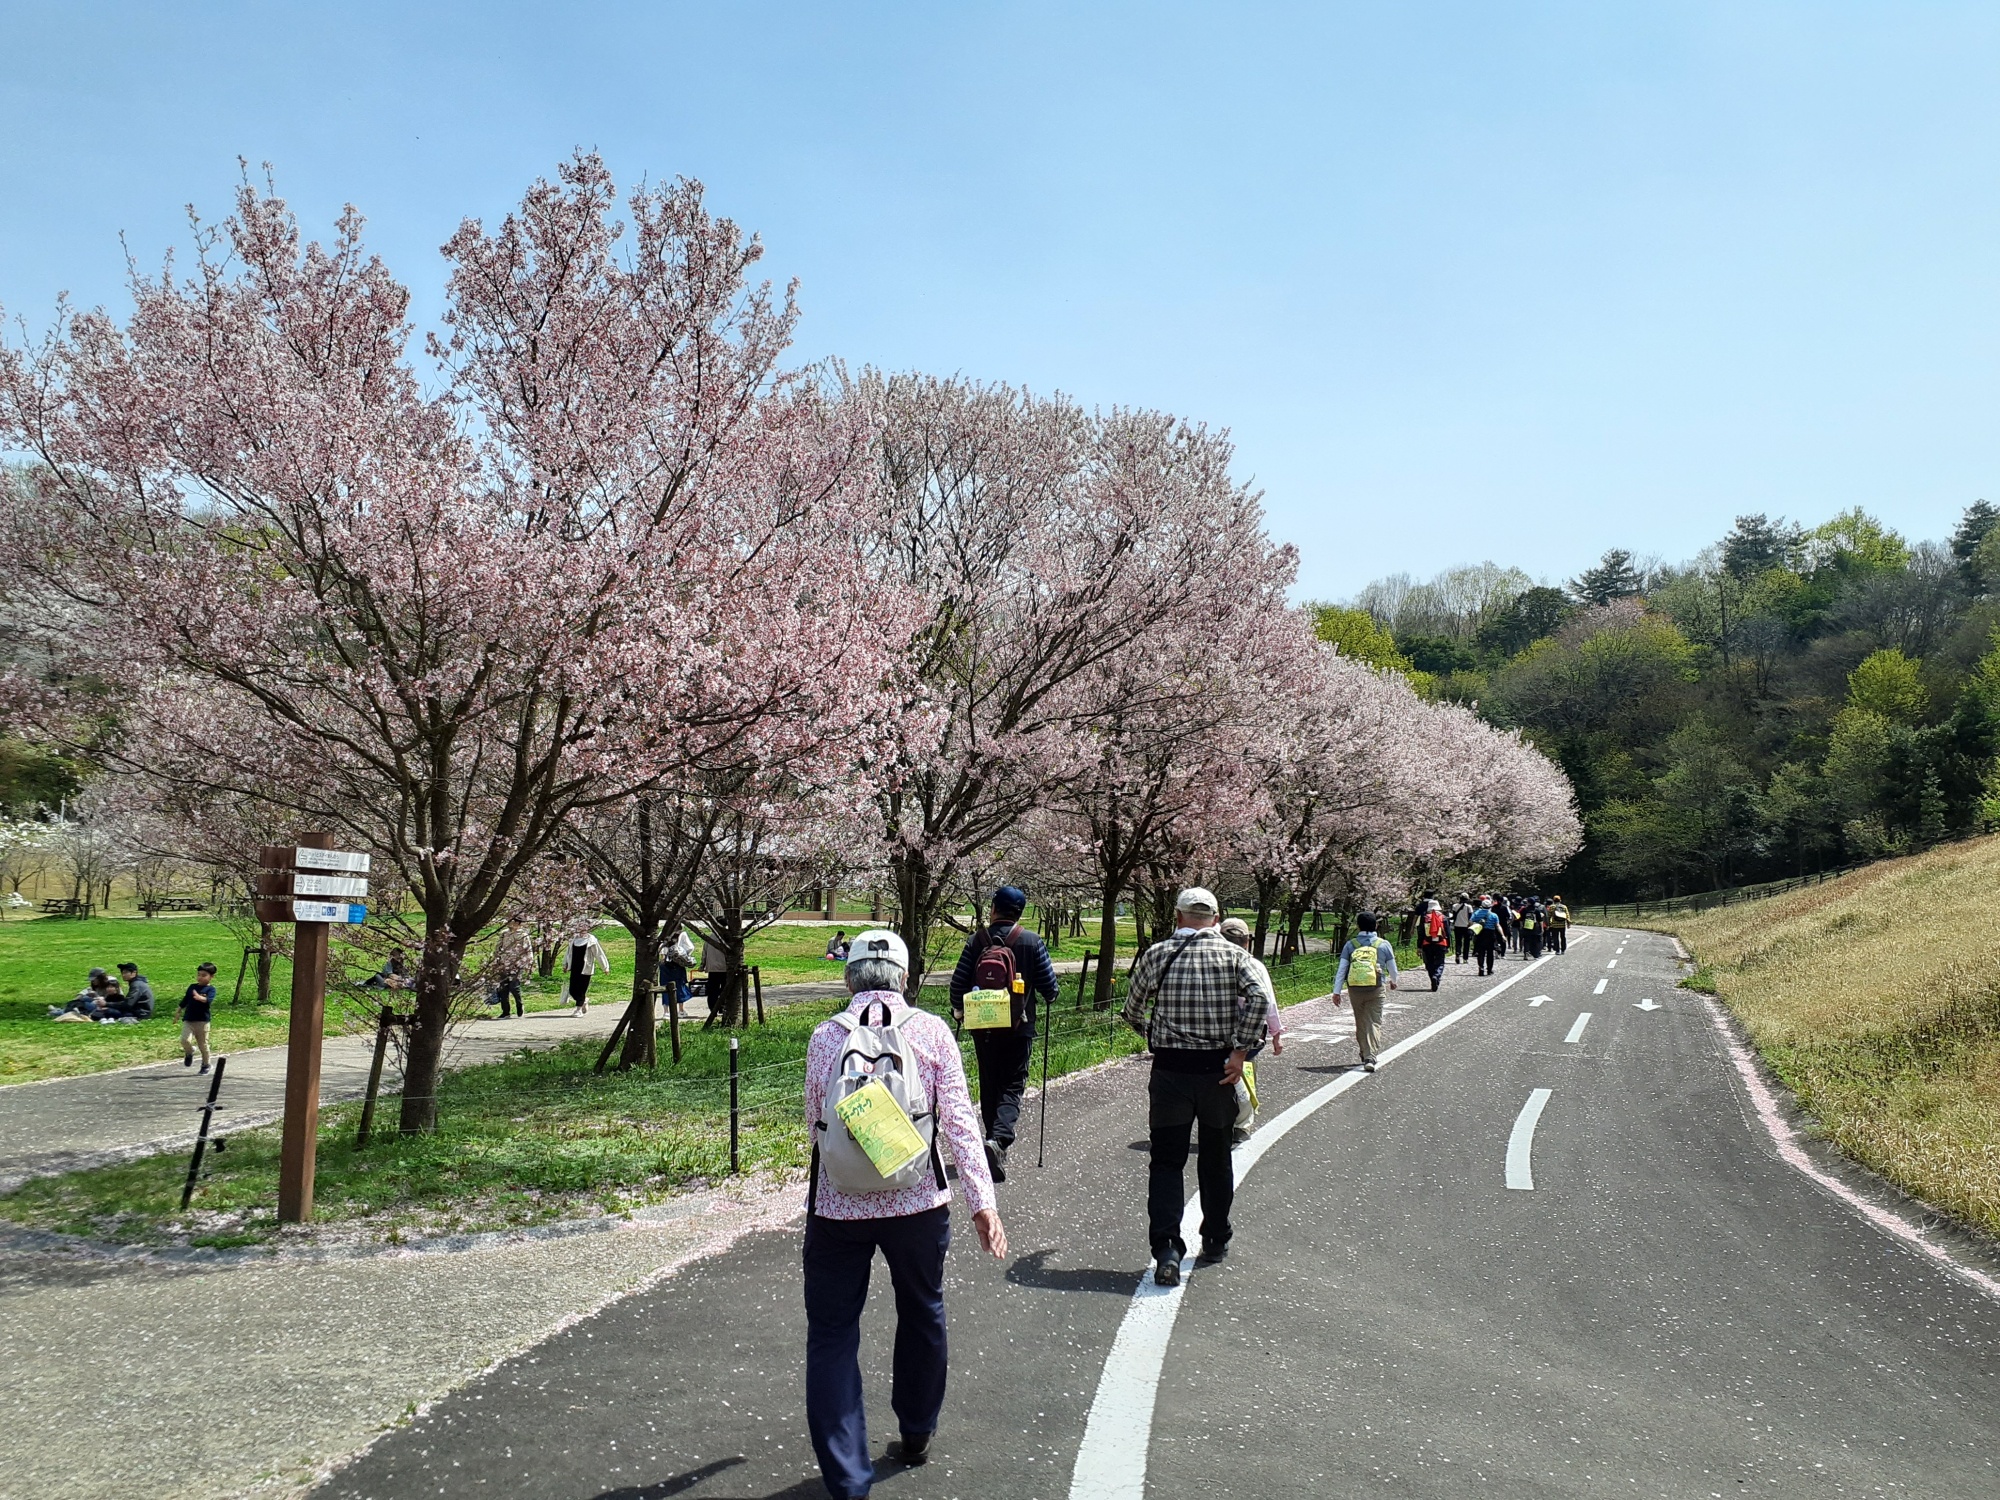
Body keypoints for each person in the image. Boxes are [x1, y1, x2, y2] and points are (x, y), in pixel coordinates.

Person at [802, 928, 1006, 1497]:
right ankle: (916, 1430)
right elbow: (961, 1121)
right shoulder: (932, 1031)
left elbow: (816, 1118)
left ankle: (846, 1476)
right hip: (917, 1202)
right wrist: (982, 1204)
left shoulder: (825, 1036)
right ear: (905, 977)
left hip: (836, 1206)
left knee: (832, 1332)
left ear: (850, 978)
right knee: (922, 1310)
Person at [1121, 886, 1266, 1286]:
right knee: (1216, 1157)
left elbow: (1131, 1009)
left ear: (1179, 916)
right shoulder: (1235, 955)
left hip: (1170, 1071)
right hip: (1219, 1071)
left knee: (1167, 1160)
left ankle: (1167, 1248)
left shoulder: (1157, 954)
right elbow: (1259, 998)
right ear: (1216, 919)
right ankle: (1215, 1237)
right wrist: (1239, 1050)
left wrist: (1153, 1032)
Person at [947, 885, 1059, 1183]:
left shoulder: (976, 941)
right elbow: (1051, 990)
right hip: (1019, 1026)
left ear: (994, 908)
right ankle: (999, 1140)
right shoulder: (1032, 942)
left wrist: (959, 1010)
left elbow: (957, 986)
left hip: (982, 1026)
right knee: (1012, 1084)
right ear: (1020, 912)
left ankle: (991, 1140)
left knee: (990, 1083)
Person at [1218, 916, 1283, 1141]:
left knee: (1217, 1076)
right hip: (1250, 1034)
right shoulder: (1255, 966)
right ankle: (1242, 1125)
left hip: (1216, 1033)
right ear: (1247, 941)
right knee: (1246, 1074)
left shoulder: (1209, 964)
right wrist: (1276, 1033)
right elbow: (1268, 1002)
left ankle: (1223, 1121)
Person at [1333, 912, 1399, 1072]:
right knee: (1373, 1022)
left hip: (1355, 989)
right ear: (1376, 925)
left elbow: (1342, 969)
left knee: (1360, 1021)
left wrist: (1336, 991)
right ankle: (1370, 1056)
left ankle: (1364, 1052)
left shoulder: (1350, 945)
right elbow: (1393, 968)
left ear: (1358, 926)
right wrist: (1394, 981)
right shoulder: (1383, 944)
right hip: (1376, 987)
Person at [178, 962, 216, 1072]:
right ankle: (189, 1052)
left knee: (203, 1045)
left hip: (202, 1021)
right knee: (184, 1040)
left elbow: (208, 1000)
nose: (200, 977)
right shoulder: (192, 987)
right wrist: (179, 1011)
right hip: (189, 1019)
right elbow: (185, 1000)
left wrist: (200, 997)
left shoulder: (211, 990)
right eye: (199, 974)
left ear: (211, 977)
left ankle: (206, 1064)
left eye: (204, 975)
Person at [489, 921, 530, 1017]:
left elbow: (528, 949)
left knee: (514, 987)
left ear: (519, 924)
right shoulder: (504, 933)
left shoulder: (523, 935)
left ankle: (519, 1006)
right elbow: (498, 948)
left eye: (515, 923)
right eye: (511, 923)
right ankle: (505, 1011)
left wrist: (527, 963)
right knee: (503, 988)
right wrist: (496, 961)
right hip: (503, 964)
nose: (512, 925)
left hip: (517, 965)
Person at [567, 925, 610, 1014]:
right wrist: (565, 964)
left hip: (586, 968)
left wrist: (605, 967)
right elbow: (568, 953)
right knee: (572, 990)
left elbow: (599, 954)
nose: (582, 931)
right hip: (575, 967)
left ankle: (578, 1010)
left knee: (582, 989)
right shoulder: (574, 940)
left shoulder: (592, 941)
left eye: (584, 928)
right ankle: (584, 1000)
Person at [659, 923, 695, 1016]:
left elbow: (659, 948)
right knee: (679, 985)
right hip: (677, 963)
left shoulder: (663, 933)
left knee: (665, 986)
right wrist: (684, 954)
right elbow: (690, 947)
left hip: (665, 963)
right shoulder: (682, 934)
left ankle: (666, 1012)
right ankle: (681, 1010)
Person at [1417, 899, 1450, 991]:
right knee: (1440, 962)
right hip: (1441, 943)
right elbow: (1447, 933)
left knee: (1429, 963)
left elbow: (1421, 933)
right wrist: (1448, 945)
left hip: (1427, 943)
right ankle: (1436, 975)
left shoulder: (1424, 918)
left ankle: (1432, 978)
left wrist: (1419, 946)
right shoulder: (1443, 918)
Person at [1470, 897, 1504, 977]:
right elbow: (1497, 926)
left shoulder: (1476, 913)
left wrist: (1474, 927)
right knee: (1490, 952)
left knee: (1481, 952)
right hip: (1490, 934)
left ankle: (1481, 967)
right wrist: (1502, 935)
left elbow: (1470, 922)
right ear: (1490, 906)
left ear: (1482, 906)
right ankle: (1489, 969)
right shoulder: (1494, 915)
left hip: (1480, 933)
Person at [1452, 894, 1475, 964]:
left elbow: (1454, 916)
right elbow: (1471, 917)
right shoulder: (1469, 907)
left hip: (1457, 926)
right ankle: (1465, 958)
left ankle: (1457, 954)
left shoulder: (1455, 906)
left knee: (1458, 941)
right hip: (1466, 926)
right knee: (1466, 943)